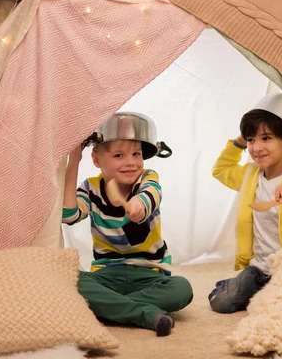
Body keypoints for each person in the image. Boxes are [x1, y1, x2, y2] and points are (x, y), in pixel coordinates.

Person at [62, 112, 192, 337]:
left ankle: (108, 308)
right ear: (96, 160)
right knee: (67, 277)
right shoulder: (90, 188)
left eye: (136, 154)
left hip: (150, 274)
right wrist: (74, 161)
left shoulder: (147, 179)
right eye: (119, 155)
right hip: (107, 275)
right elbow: (69, 215)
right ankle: (143, 312)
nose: (130, 162)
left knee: (182, 289)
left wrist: (138, 204)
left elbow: (150, 196)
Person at [209, 92, 282, 314]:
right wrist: (239, 142)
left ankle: (255, 291)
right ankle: (232, 286)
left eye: (266, 138)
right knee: (221, 303)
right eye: (252, 140)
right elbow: (220, 170)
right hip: (257, 269)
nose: (256, 147)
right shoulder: (250, 175)